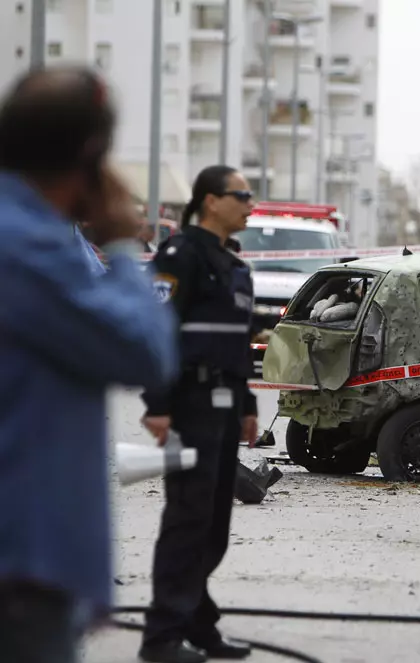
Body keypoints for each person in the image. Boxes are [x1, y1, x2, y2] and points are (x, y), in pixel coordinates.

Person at [0, 66, 178, 662]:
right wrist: (125, 244)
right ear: (92, 154)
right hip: (21, 564)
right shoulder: (27, 248)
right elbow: (145, 352)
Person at [139, 165, 259, 663]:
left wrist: (249, 406)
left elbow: (237, 345)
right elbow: (155, 330)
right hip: (188, 406)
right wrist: (158, 404)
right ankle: (161, 635)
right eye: (243, 195)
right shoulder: (181, 255)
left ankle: (196, 620)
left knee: (213, 525)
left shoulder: (233, 265)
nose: (251, 204)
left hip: (226, 408)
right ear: (211, 201)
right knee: (187, 520)